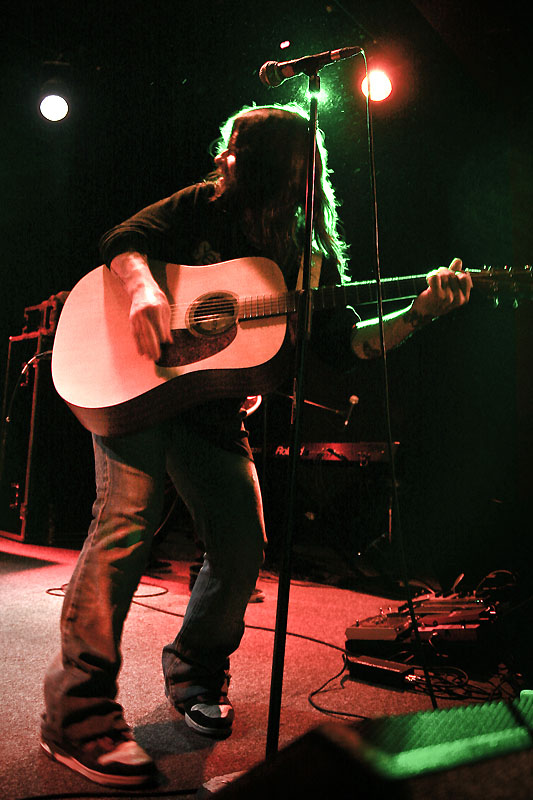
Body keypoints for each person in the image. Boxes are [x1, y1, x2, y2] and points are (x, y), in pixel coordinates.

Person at [40, 103, 472, 788]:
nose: (222, 160)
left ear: (281, 168)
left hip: (210, 413)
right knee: (125, 520)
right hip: (135, 387)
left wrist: (419, 314)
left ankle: (195, 674)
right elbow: (122, 240)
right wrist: (146, 290)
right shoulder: (204, 206)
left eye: (236, 153)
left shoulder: (308, 258)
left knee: (242, 544)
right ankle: (77, 715)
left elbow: (347, 346)